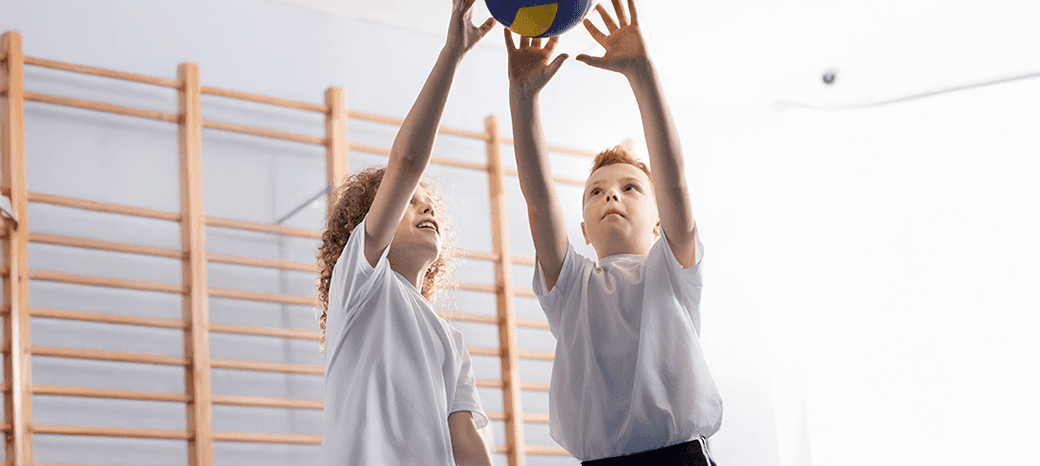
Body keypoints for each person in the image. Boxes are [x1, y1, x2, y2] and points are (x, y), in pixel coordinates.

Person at [504, 0, 723, 464]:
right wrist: (522, 99)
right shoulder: (572, 287)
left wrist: (642, 74)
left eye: (630, 188)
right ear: (582, 228)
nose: (612, 196)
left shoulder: (673, 267)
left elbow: (675, 181)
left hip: (680, 456)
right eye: (596, 191)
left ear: (660, 220)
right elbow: (540, 203)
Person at [316, 0, 496, 464]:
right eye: (410, 201)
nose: (426, 206)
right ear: (368, 222)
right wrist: (452, 54)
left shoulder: (449, 340)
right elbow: (408, 162)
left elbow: (469, 445)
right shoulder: (361, 287)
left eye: (429, 203)